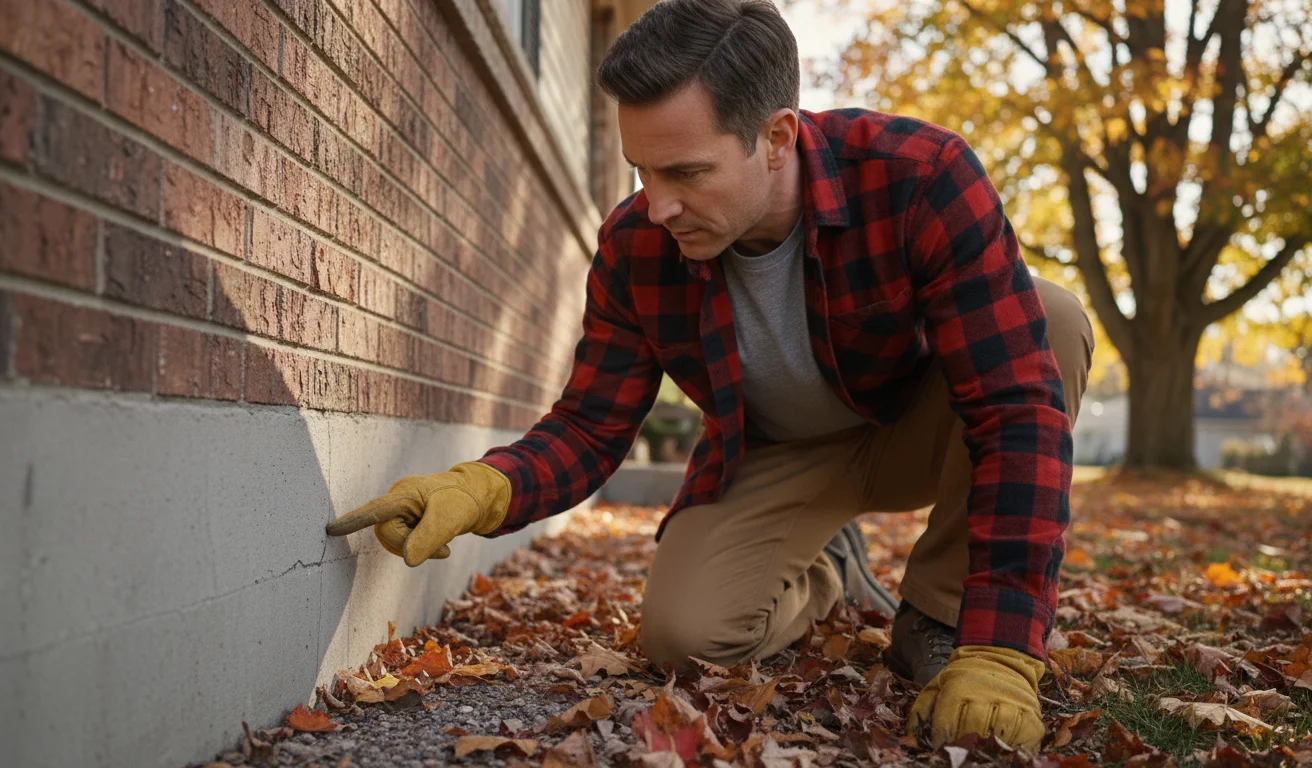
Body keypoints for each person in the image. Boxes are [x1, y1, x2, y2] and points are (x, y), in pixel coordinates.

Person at [325, 0, 1094, 751]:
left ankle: (938, 615)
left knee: (1049, 318)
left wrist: (1003, 646)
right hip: (778, 453)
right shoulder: (635, 245)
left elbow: (1013, 409)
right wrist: (483, 488)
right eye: (642, 172)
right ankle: (827, 566)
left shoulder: (920, 177)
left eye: (686, 172)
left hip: (920, 425)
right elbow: (591, 425)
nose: (657, 206)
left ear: (776, 137)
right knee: (681, 635)